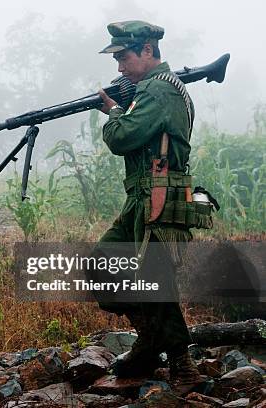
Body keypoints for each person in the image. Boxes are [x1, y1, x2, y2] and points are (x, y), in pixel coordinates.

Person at [94, 20, 204, 394]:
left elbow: (122, 137)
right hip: (141, 198)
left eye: (124, 57)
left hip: (158, 198)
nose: (120, 66)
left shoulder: (158, 92)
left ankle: (182, 366)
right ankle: (149, 342)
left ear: (146, 51)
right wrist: (125, 103)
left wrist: (113, 113)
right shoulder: (150, 91)